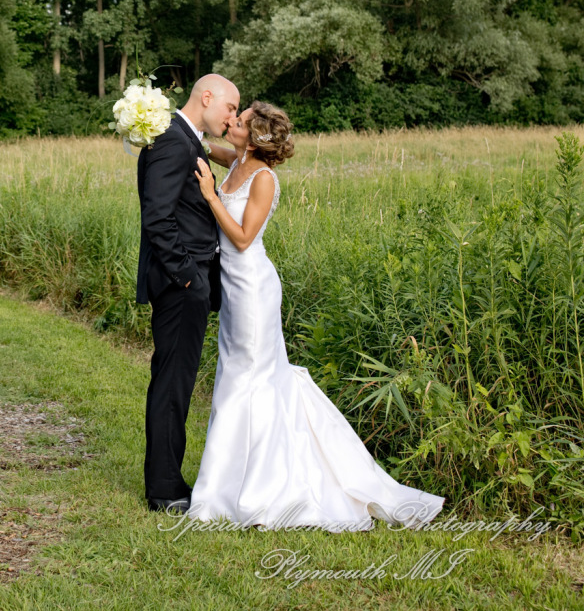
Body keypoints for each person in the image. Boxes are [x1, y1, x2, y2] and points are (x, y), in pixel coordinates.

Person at [187, 102, 444, 530]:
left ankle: (252, 489)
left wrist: (212, 196)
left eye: (240, 119)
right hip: (232, 288)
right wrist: (166, 123)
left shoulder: (263, 178)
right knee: (235, 373)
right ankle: (231, 480)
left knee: (248, 378)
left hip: (253, 289)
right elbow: (201, 145)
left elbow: (244, 238)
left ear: (254, 137)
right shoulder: (237, 160)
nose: (232, 120)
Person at [136, 74, 239, 513]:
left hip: (188, 282)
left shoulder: (185, 137)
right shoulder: (174, 141)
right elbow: (157, 217)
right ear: (207, 97)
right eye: (231, 108)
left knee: (176, 380)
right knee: (173, 383)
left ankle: (168, 479)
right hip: (180, 284)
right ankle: (165, 488)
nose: (232, 117)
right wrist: (189, 278)